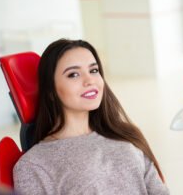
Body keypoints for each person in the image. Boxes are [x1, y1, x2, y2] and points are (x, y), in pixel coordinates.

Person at [13, 39, 170, 195]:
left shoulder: (125, 133)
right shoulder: (34, 164)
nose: (90, 81)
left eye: (94, 70)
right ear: (51, 92)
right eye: (73, 74)